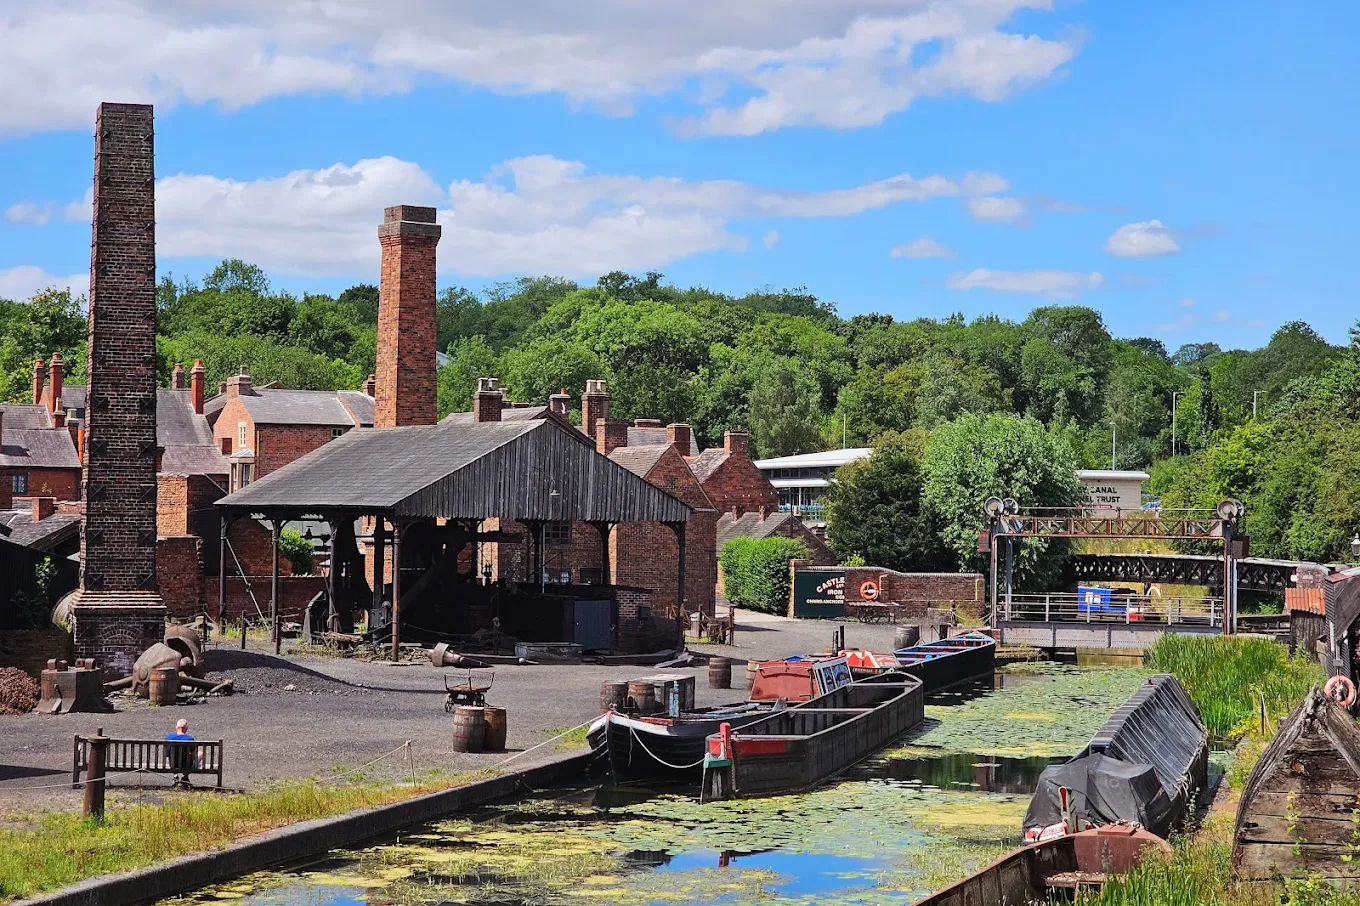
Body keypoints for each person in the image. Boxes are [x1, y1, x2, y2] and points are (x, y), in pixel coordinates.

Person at [166, 718, 196, 788]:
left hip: (173, 764)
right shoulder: (190, 739)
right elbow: (193, 755)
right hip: (186, 764)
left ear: (176, 727)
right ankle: (185, 777)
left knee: (172, 756)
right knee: (200, 753)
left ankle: (175, 774)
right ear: (186, 729)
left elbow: (167, 754)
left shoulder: (169, 737)